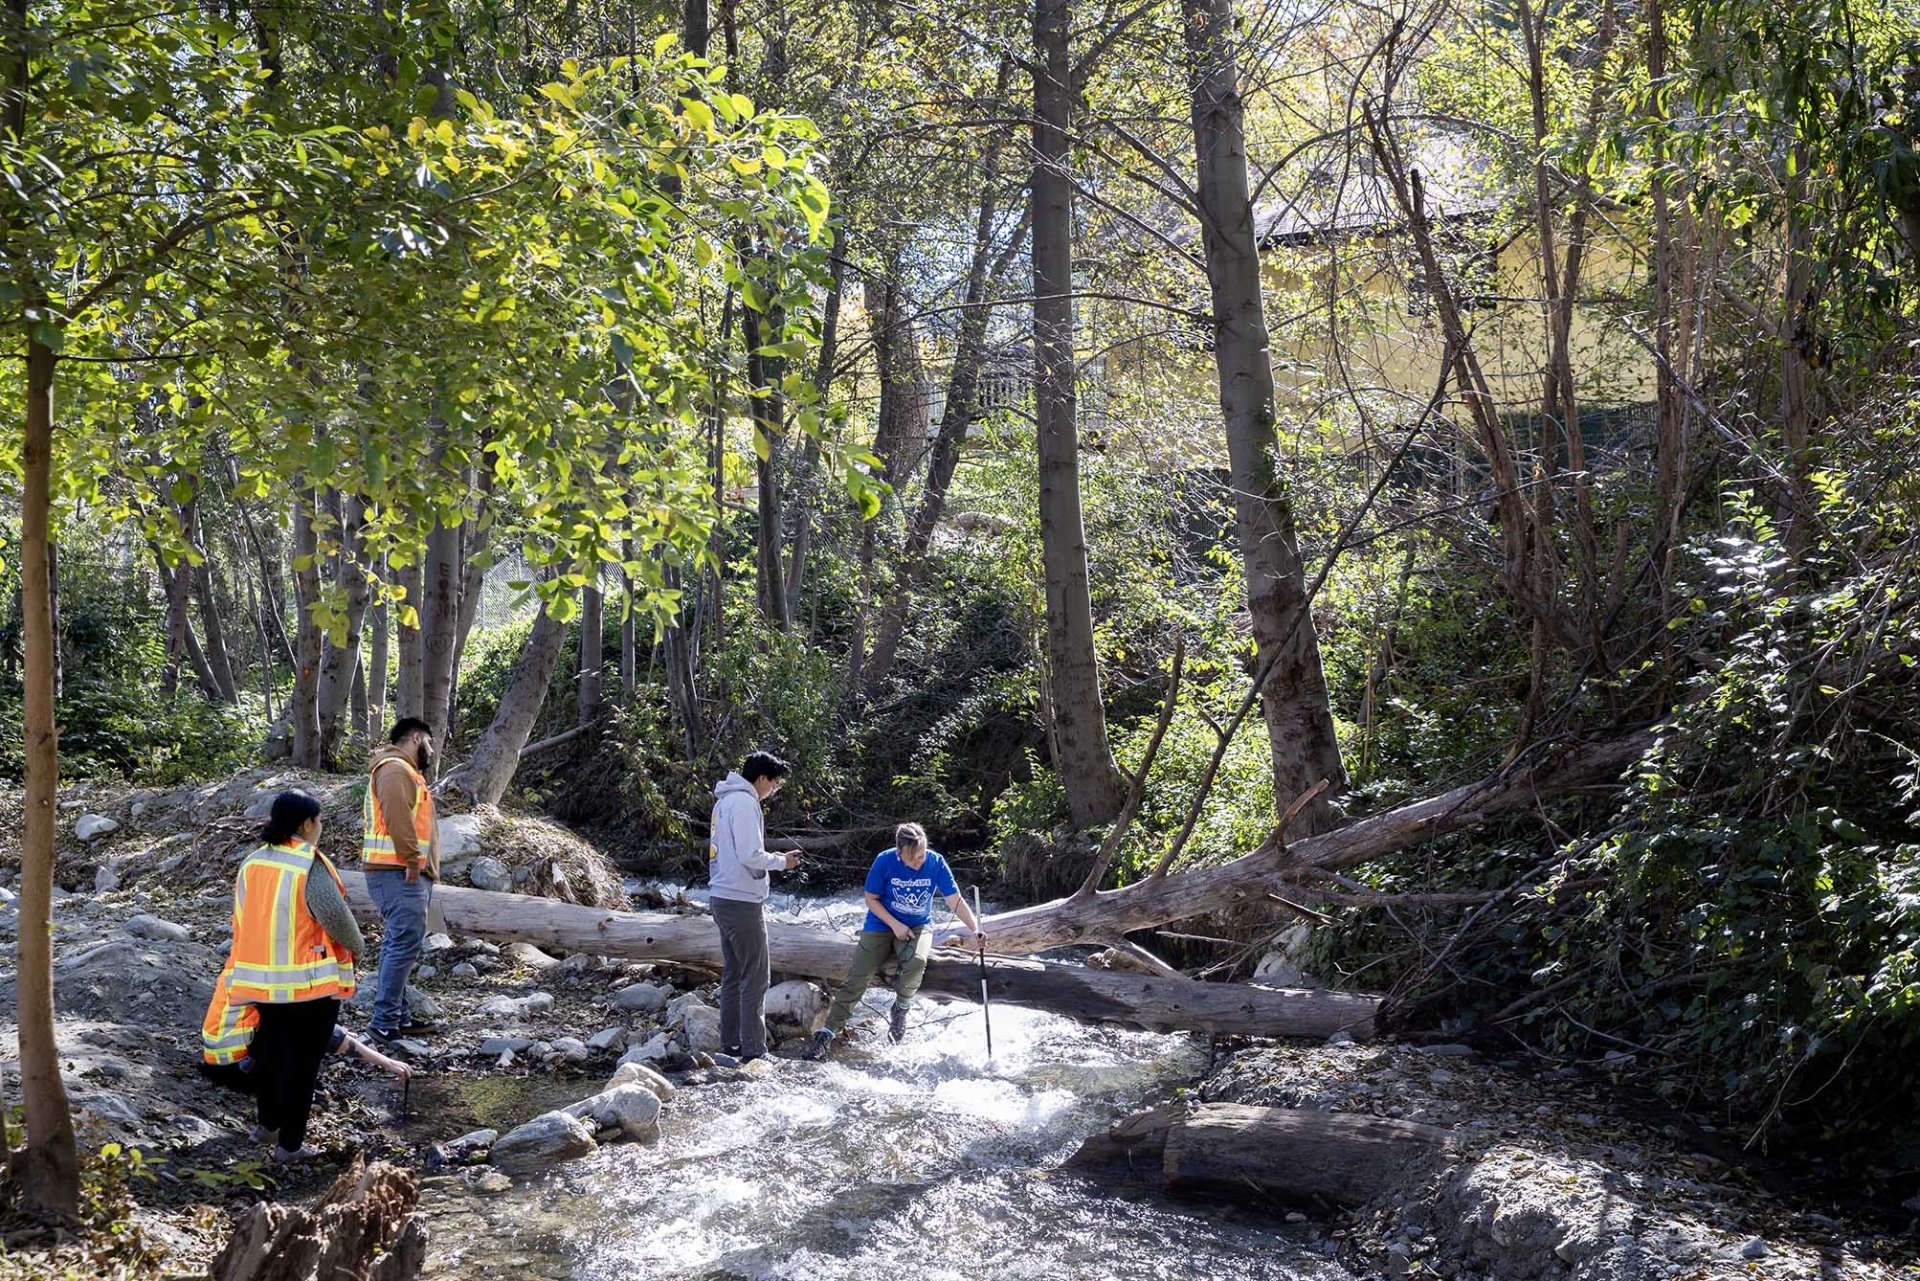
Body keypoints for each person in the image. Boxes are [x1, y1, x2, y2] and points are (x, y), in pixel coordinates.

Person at [221, 790, 359, 1162]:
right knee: (301, 1068)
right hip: (307, 985)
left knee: (269, 1055)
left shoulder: (253, 862)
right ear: (306, 824)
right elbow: (337, 919)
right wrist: (358, 946)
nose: (321, 827)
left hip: (261, 981)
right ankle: (291, 1146)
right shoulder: (307, 864)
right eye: (320, 820)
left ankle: (266, 1128)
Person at [805, 823, 985, 1060]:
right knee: (858, 978)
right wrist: (895, 925)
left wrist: (976, 929)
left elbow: (955, 900)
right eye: (913, 858)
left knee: (917, 962)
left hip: (919, 925)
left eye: (921, 855)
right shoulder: (884, 861)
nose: (919, 861)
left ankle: (900, 1008)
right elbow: (871, 899)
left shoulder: (936, 862)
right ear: (900, 851)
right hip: (881, 923)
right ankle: (826, 1035)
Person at [708, 751, 801, 1062]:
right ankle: (754, 1051)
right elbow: (750, 855)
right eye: (774, 784)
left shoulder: (725, 801)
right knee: (757, 976)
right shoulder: (746, 803)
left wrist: (771, 858)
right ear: (761, 779)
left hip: (722, 896)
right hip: (741, 900)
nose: (773, 791)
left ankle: (731, 1045)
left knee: (734, 973)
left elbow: (739, 852)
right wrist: (782, 862)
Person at [201, 960, 413, 1095]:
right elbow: (314, 1031)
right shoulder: (274, 973)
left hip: (217, 1057)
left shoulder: (246, 961)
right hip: (239, 1067)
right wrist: (386, 1062)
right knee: (305, 1034)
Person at [362, 717, 441, 1051]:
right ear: (416, 738)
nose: (432, 751)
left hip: (402, 871)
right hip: (397, 871)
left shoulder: (404, 771)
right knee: (402, 944)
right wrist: (411, 860)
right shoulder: (395, 770)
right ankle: (384, 1023)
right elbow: (397, 817)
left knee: (399, 943)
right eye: (430, 743)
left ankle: (398, 1016)